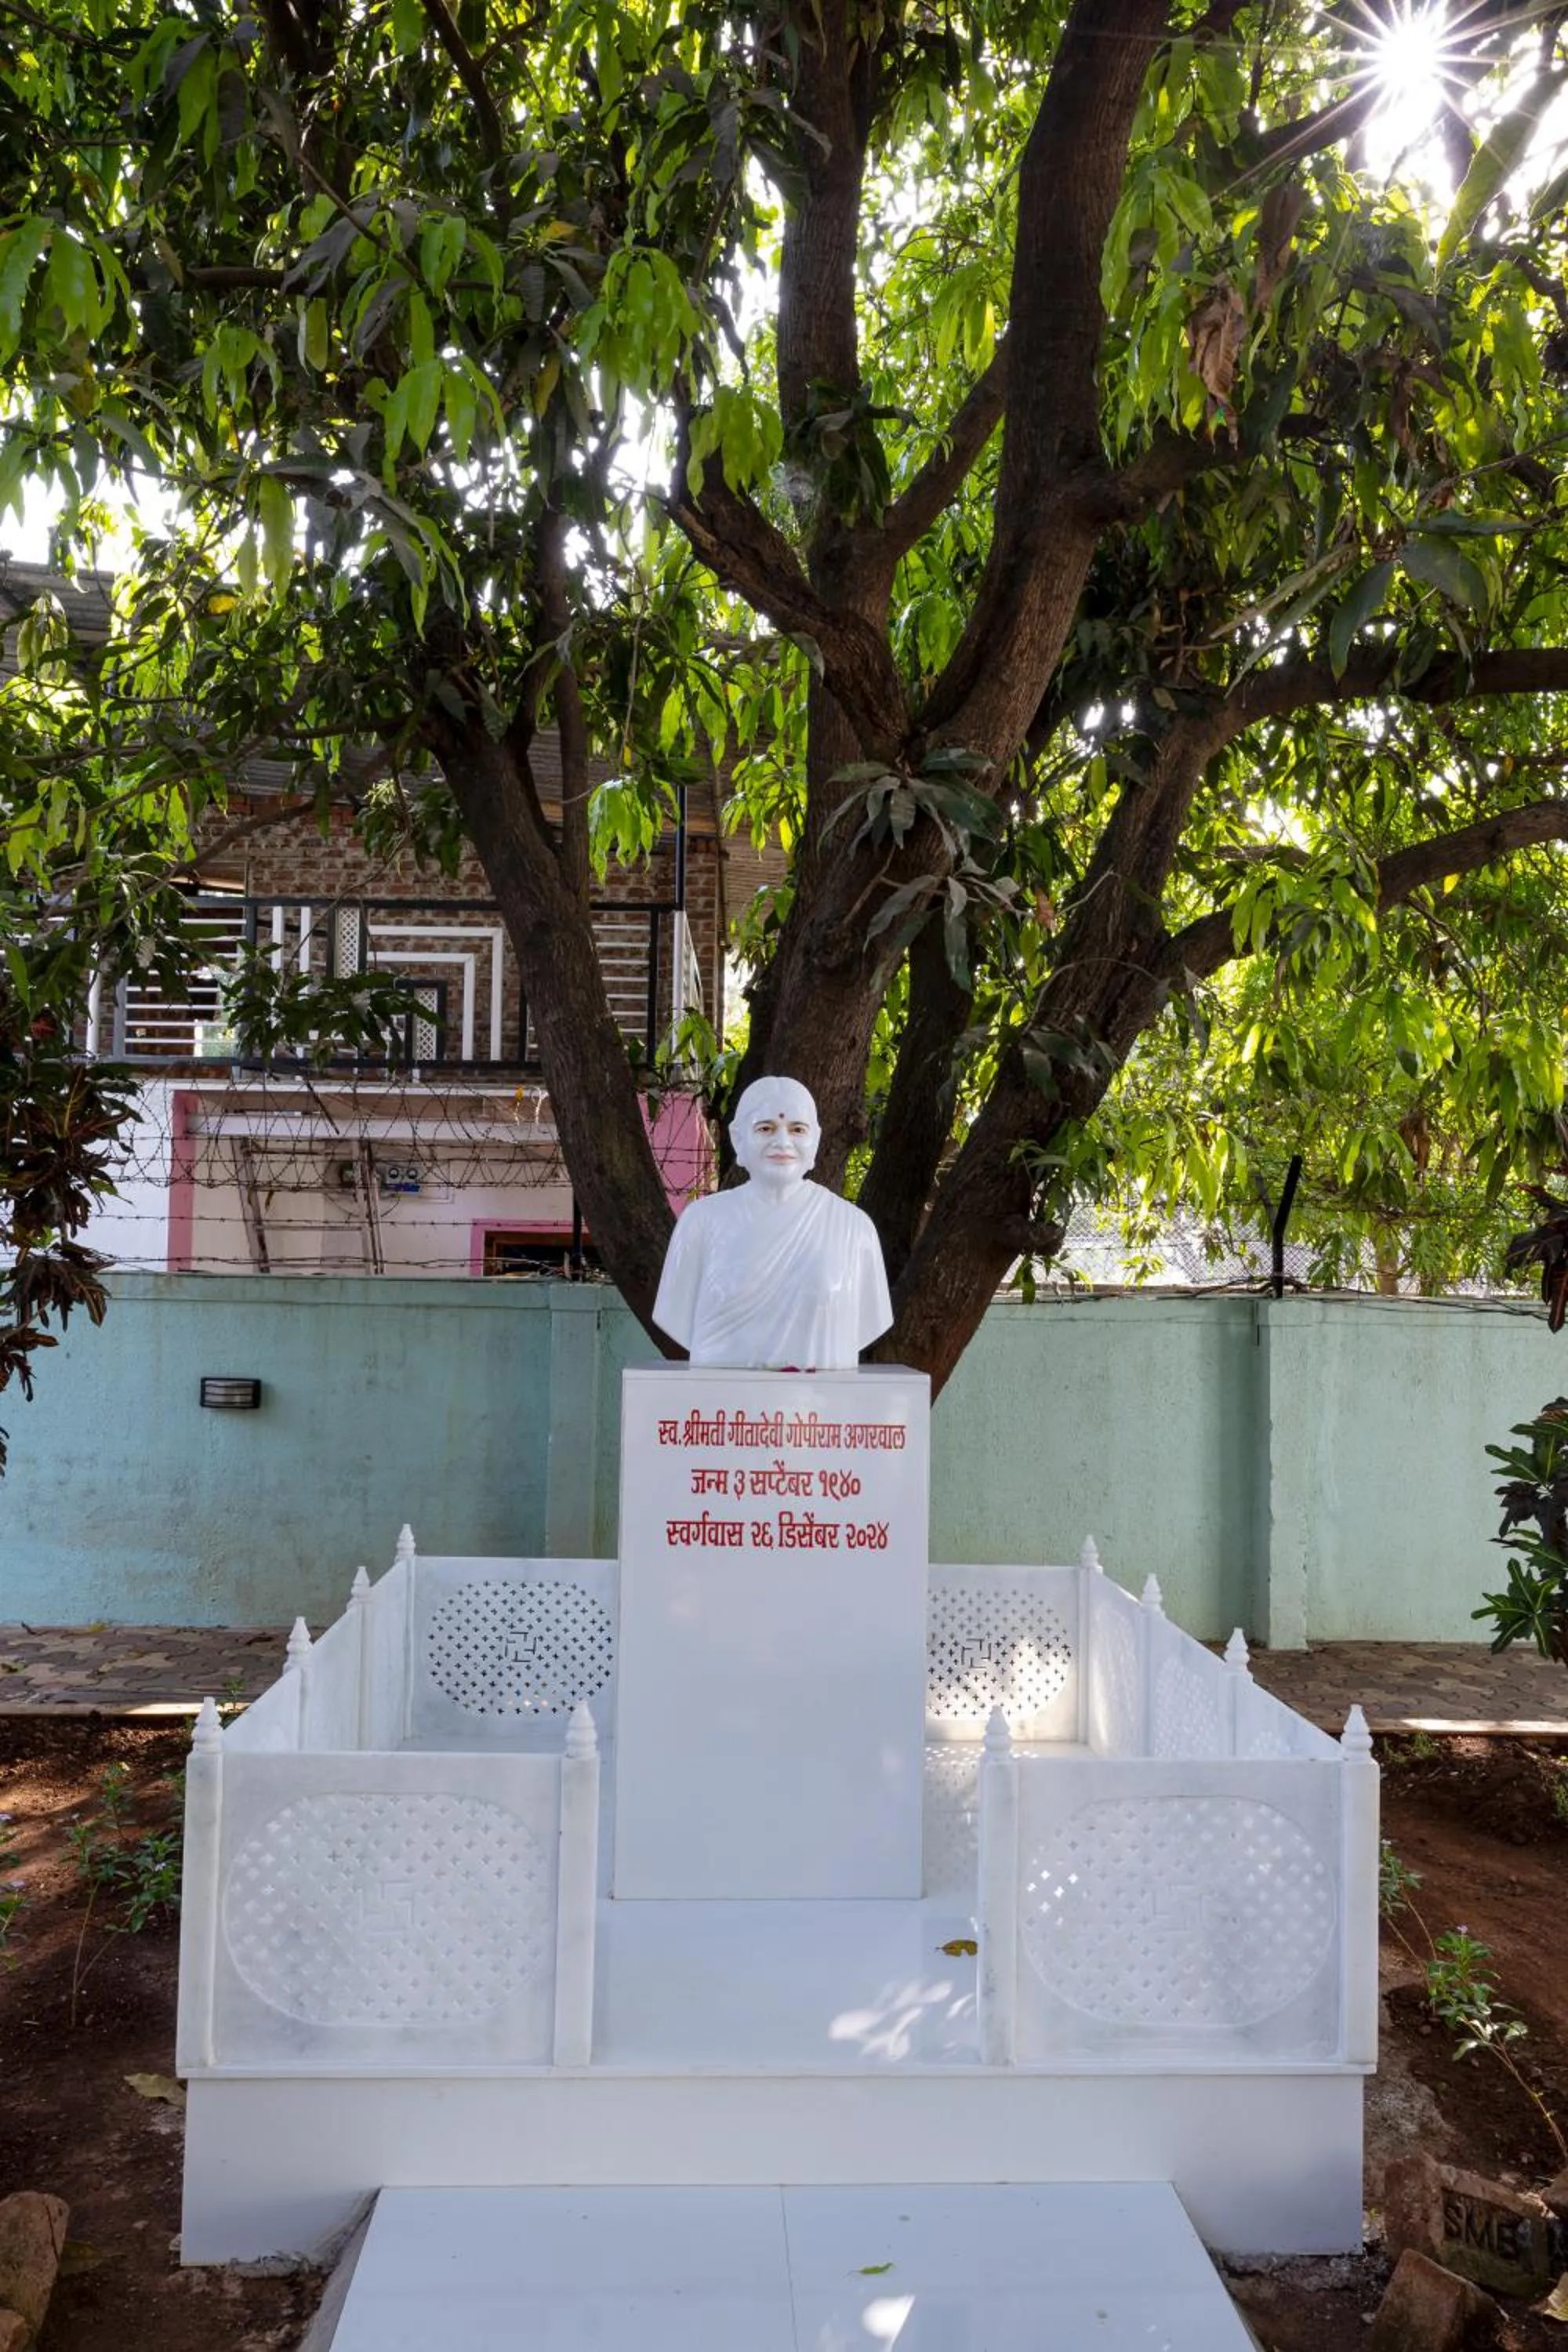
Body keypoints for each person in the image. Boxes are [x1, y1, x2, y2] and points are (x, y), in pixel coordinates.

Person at [652, 1076, 893, 1369]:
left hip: (819, 1409)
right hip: (725, 1408)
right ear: (738, 1138)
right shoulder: (700, 1223)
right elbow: (675, 1315)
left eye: (797, 1130)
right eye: (765, 1128)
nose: (782, 1142)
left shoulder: (854, 1229)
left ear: (815, 1140)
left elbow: (870, 1322)